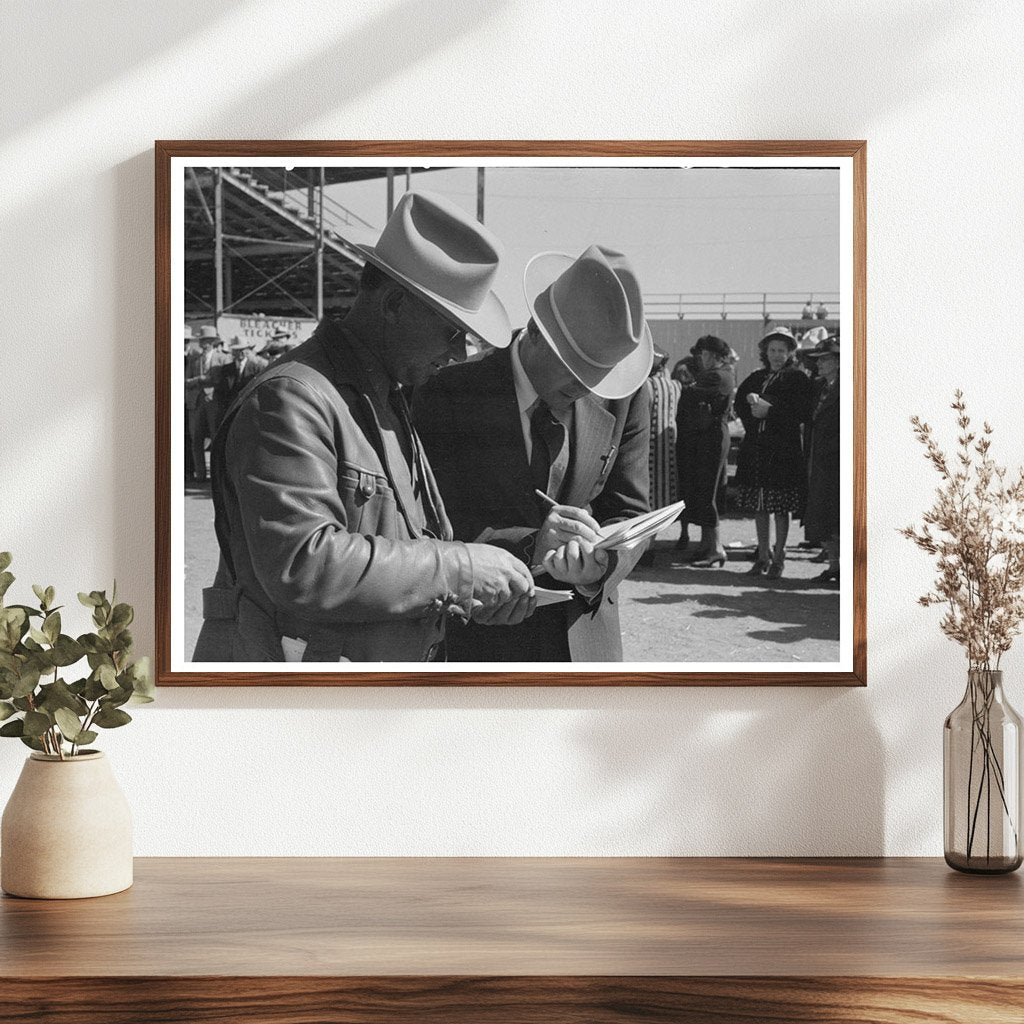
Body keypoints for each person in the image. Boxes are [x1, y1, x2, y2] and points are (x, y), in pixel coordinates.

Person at [192, 190, 536, 663]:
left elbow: (407, 547)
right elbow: (304, 562)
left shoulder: (381, 394)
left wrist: (483, 579)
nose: (458, 352)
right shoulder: (292, 397)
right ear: (394, 303)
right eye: (450, 330)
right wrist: (462, 570)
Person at [414, 244, 652, 662]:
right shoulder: (448, 393)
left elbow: (632, 511)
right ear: (537, 332)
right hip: (484, 644)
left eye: (601, 376)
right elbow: (425, 522)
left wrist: (602, 565)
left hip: (586, 645)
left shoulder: (628, 398)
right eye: (578, 371)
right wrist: (529, 546)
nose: (589, 389)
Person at [734, 326, 813, 579]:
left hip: (782, 452)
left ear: (790, 352)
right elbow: (740, 404)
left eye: (782, 350)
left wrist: (771, 411)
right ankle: (762, 556)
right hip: (758, 450)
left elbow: (802, 412)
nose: (777, 355)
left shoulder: (797, 379)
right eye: (772, 350)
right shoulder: (756, 377)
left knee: (780, 507)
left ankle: (779, 558)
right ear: (765, 352)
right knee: (760, 506)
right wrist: (750, 403)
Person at [675, 334, 736, 566]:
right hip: (710, 436)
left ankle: (716, 547)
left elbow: (689, 395)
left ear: (713, 355)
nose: (700, 358)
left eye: (704, 354)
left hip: (711, 437)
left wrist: (685, 386)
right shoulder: (722, 374)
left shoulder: (717, 376)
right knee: (704, 490)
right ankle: (705, 545)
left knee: (708, 491)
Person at [803, 334, 841, 585]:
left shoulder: (846, 388)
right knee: (824, 516)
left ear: (838, 361)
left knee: (837, 515)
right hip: (819, 459)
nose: (819, 364)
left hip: (836, 461)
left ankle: (842, 568)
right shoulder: (820, 388)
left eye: (825, 360)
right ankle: (834, 565)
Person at [184, 325, 231, 482]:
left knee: (215, 439)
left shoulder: (223, 359)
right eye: (203, 340)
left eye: (208, 341)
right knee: (195, 440)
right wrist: (201, 380)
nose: (204, 343)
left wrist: (202, 381)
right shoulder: (194, 360)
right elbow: (185, 381)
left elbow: (221, 382)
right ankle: (200, 475)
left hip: (214, 403)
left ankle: (216, 476)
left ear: (213, 342)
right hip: (196, 403)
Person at [212, 337, 268, 429]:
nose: (241, 353)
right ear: (233, 352)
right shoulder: (227, 369)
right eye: (237, 350)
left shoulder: (256, 368)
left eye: (243, 350)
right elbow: (221, 390)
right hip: (231, 410)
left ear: (247, 351)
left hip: (249, 409)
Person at [184, 325, 200, 480]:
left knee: (189, 436)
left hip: (190, 401)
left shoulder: (195, 356)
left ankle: (189, 470)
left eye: (186, 340)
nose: (184, 343)